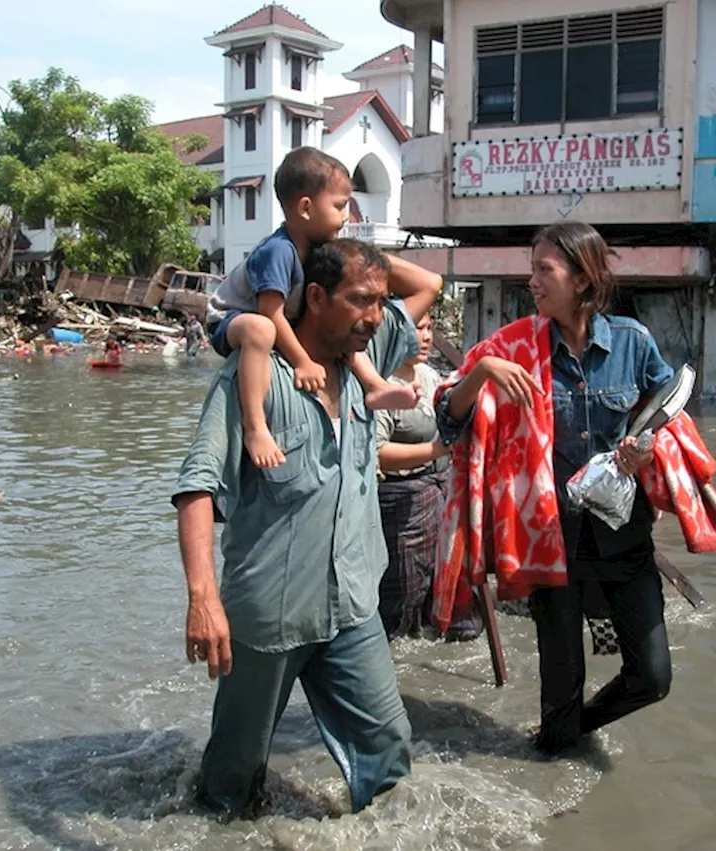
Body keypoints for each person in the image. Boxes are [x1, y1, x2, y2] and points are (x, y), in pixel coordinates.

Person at [174, 239, 443, 816]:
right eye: (360, 300)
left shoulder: (366, 357)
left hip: (351, 606)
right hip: (269, 616)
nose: (375, 316)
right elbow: (197, 485)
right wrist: (202, 596)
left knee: (389, 747)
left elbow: (427, 285)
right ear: (315, 297)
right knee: (233, 783)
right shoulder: (255, 374)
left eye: (380, 301)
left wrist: (333, 241)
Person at [436, 221, 676, 756]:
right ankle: (559, 741)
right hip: (551, 543)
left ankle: (567, 732)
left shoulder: (633, 344)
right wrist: (482, 372)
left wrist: (647, 447)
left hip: (624, 537)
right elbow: (449, 418)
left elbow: (668, 415)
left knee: (652, 678)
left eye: (544, 270)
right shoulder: (513, 346)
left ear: (582, 277)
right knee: (560, 690)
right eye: (532, 269)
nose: (533, 282)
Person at [205, 147, 417, 470]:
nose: (346, 216)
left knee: (339, 330)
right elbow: (270, 313)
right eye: (339, 206)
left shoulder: (312, 249)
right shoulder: (278, 252)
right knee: (260, 332)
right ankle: (256, 427)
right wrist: (302, 361)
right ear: (306, 207)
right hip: (230, 319)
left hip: (273, 319)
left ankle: (374, 385)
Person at [374, 312, 481, 641]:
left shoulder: (429, 375)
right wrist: (438, 450)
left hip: (442, 493)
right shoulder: (382, 385)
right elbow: (376, 454)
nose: (425, 337)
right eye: (416, 328)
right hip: (401, 502)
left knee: (445, 577)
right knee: (403, 589)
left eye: (429, 328)